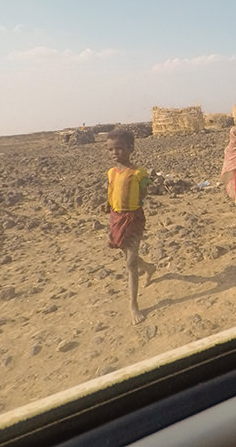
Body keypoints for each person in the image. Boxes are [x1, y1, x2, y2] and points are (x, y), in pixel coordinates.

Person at [103, 128, 156, 325]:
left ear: (130, 148)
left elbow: (144, 192)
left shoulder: (138, 173)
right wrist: (109, 203)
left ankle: (133, 305)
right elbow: (111, 189)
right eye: (110, 149)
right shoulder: (111, 173)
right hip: (116, 217)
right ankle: (149, 268)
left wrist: (132, 205)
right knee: (128, 257)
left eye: (119, 148)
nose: (114, 153)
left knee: (130, 262)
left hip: (133, 218)